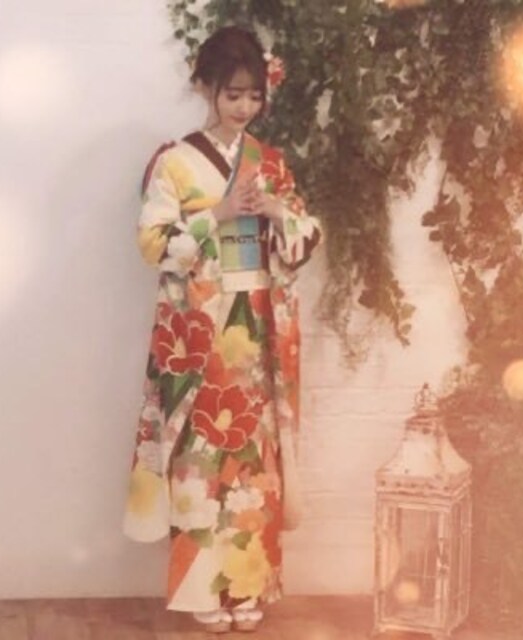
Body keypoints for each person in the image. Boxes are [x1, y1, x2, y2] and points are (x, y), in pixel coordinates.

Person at [123, 25, 322, 633]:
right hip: (201, 329)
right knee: (202, 454)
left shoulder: (270, 162)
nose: (243, 106)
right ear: (205, 87)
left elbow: (305, 238)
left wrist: (277, 211)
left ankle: (249, 584)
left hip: (256, 322)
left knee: (253, 459)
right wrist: (218, 213)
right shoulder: (174, 163)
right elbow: (153, 244)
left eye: (253, 96)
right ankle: (201, 587)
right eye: (232, 94)